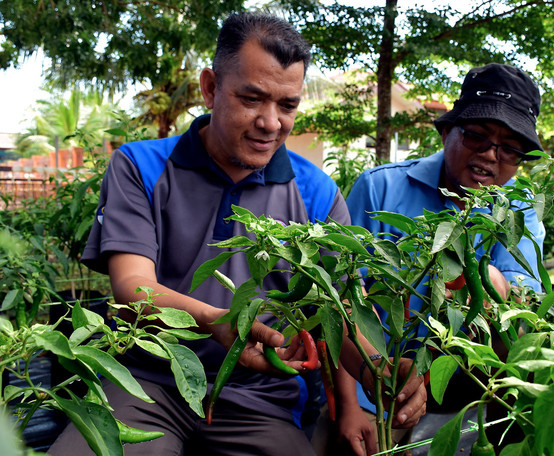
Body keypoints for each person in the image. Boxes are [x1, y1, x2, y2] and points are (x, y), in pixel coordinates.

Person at [48, 12, 425, 456]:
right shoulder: (140, 167)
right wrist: (221, 324)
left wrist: (376, 371)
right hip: (145, 382)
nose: (271, 123)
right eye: (252, 98)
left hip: (257, 397)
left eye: (287, 105)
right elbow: (133, 286)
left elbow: (337, 311)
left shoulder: (316, 193)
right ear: (211, 87)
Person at [316, 63, 546, 455]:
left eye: (510, 148)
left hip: (470, 398)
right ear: (445, 132)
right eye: (477, 136)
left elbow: (522, 317)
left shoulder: (518, 209)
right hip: (375, 386)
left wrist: (490, 285)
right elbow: (335, 302)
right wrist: (350, 406)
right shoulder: (380, 189)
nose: (490, 155)